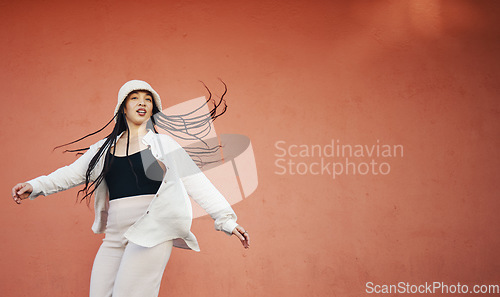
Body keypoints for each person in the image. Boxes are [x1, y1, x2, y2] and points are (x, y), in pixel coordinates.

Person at [11, 80, 250, 297]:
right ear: (122, 107)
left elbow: (196, 181)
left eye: (148, 99)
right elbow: (72, 173)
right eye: (134, 97)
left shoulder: (163, 143)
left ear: (152, 109)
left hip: (152, 231)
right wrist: (35, 185)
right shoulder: (102, 148)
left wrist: (226, 220)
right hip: (115, 234)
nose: (142, 103)